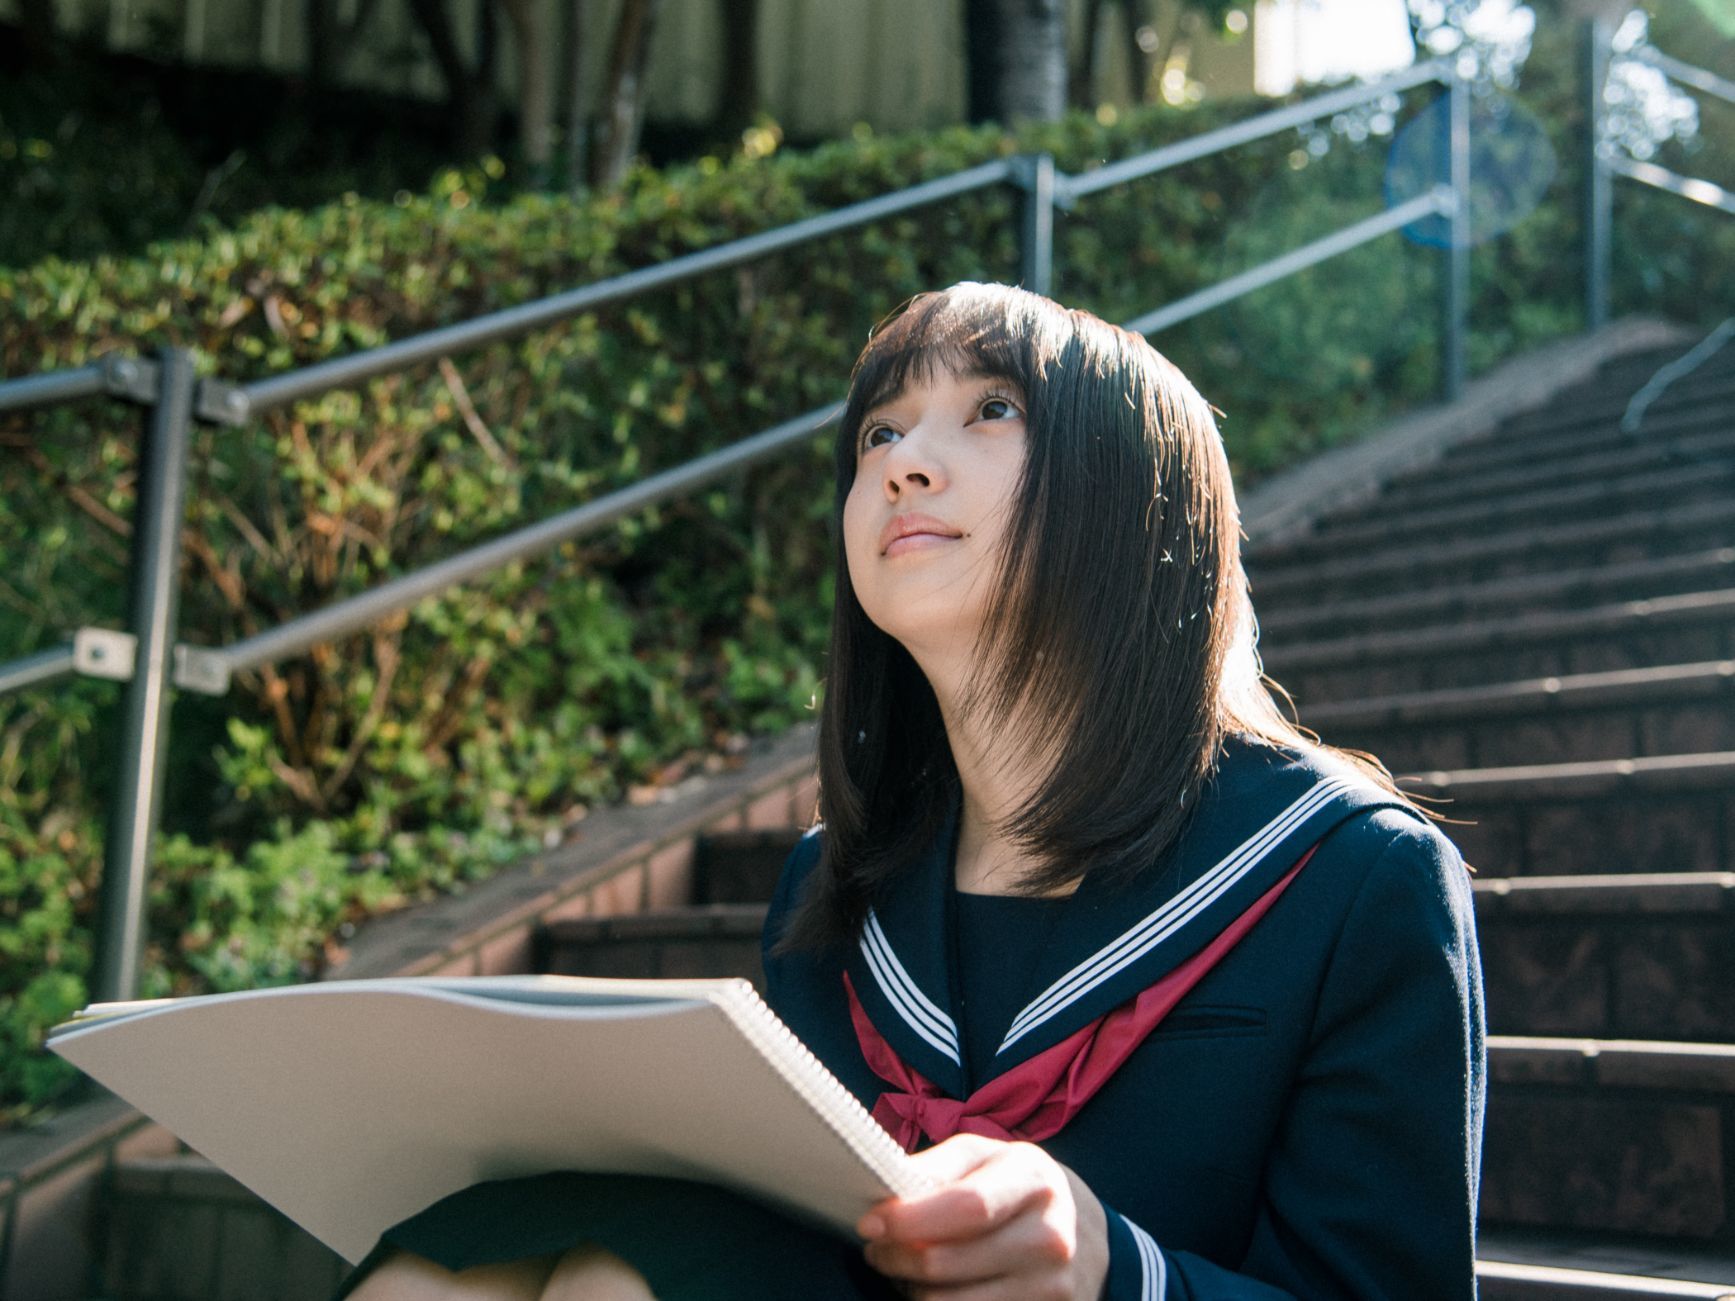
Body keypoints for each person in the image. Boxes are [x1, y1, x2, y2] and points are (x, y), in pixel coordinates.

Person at [341, 282, 1484, 1300]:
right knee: (459, 1267)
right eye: (879, 430)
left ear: (1140, 502)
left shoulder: (1349, 876)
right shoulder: (831, 887)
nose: (899, 461)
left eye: (992, 407)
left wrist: (1111, 1270)